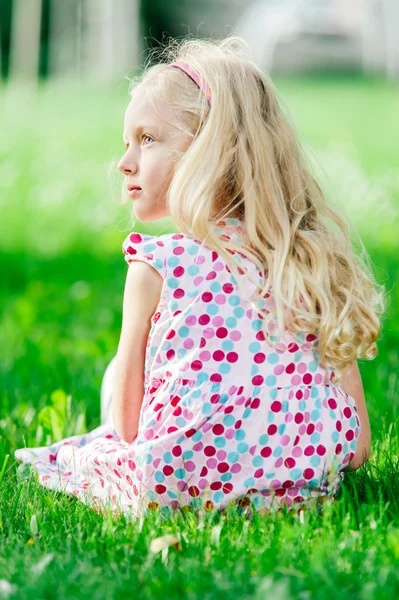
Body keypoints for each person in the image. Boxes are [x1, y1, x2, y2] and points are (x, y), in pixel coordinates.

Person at [14, 35, 386, 520]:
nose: (125, 162)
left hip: (179, 482)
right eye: (127, 143)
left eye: (147, 140)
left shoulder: (157, 265)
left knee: (116, 379)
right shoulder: (306, 259)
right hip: (306, 479)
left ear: (212, 150)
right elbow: (357, 447)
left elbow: (127, 427)